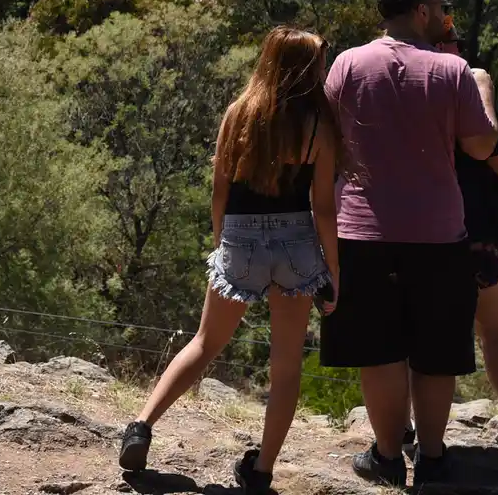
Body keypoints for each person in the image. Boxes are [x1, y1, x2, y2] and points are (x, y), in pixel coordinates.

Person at [120, 27, 341, 493]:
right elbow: (323, 207)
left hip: (240, 237)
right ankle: (260, 471)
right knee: (286, 366)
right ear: (304, 69)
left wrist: (224, 244)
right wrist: (333, 273)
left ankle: (141, 425)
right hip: (297, 243)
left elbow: (220, 192)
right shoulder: (320, 124)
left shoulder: (239, 114)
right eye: (320, 61)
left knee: (205, 342)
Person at [321, 0, 498, 488]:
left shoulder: (347, 64)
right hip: (440, 234)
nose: (446, 16)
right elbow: (481, 145)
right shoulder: (453, 71)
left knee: (377, 349)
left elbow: (326, 143)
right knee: (436, 349)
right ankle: (435, 457)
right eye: (442, 7)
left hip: (361, 232)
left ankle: (385, 456)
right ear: (421, 11)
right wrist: (484, 88)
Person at [400, 22, 498, 465]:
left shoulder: (406, 94)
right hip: (473, 243)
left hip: (412, 233)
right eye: (452, 42)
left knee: (416, 340)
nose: (458, 50)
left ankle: (408, 433)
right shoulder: (468, 86)